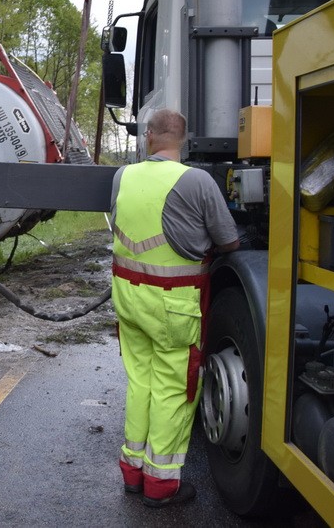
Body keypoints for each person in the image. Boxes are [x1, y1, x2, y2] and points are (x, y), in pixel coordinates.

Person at [110, 109, 239, 508]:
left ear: (149, 136)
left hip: (128, 296)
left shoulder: (122, 176)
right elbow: (229, 241)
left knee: (140, 381)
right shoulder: (197, 181)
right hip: (174, 304)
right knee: (173, 388)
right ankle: (161, 485)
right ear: (182, 139)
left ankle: (133, 473)